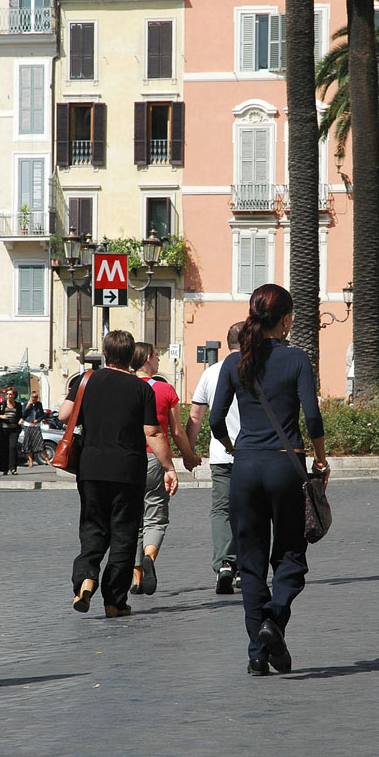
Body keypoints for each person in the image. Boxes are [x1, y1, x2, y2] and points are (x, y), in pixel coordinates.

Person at [210, 284, 329, 677]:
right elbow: (312, 417)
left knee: (251, 561)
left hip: (245, 467)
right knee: (291, 553)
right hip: (285, 463)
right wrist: (321, 459)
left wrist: (233, 446)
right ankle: (274, 620)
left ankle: (257, 656)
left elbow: (215, 420)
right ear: (286, 320)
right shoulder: (297, 358)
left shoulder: (234, 362)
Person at [58, 330, 178, 618]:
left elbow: (64, 415)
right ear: (130, 356)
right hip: (128, 470)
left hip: (91, 468)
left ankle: (86, 579)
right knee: (124, 534)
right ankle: (114, 602)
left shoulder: (86, 381)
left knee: (93, 527)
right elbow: (152, 432)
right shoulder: (142, 389)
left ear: (105, 354)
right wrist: (169, 467)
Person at [129, 342, 201, 596]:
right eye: (157, 356)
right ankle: (149, 557)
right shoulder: (165, 389)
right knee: (155, 517)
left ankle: (136, 579)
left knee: (133, 519)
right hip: (154, 459)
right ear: (148, 358)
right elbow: (177, 431)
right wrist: (189, 457)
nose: (159, 360)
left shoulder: (124, 387)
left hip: (126, 460)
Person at [186, 321, 244, 593]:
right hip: (254, 453)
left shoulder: (210, 373)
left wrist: (189, 451)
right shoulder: (257, 369)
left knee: (221, 510)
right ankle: (245, 567)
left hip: (222, 455)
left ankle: (224, 564)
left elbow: (196, 416)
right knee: (252, 509)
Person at [0, 387, 23, 475]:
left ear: (14, 395)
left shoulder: (18, 405)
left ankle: (13, 468)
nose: (8, 396)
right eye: (7, 394)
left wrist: (21, 419)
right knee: (4, 448)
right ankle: (4, 468)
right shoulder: (2, 404)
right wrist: (1, 416)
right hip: (3, 429)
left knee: (12, 447)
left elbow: (21, 415)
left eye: (10, 394)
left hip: (14, 429)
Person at [22, 390, 49, 467]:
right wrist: (27, 406)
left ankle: (47, 460)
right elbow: (23, 415)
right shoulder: (25, 404)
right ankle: (31, 461)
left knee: (40, 443)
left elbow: (42, 415)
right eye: (33, 399)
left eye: (35, 399)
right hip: (28, 425)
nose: (34, 401)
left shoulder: (39, 404)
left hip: (36, 425)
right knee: (28, 443)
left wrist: (38, 420)